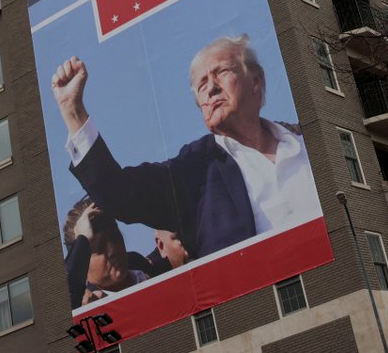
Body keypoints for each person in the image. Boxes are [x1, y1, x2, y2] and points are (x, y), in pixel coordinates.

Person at [51, 34, 321, 261]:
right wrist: (73, 111)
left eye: (221, 72)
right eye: (201, 85)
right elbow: (120, 194)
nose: (211, 88)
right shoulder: (193, 170)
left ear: (256, 81)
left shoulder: (310, 139)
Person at [63, 197, 149, 309]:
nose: (113, 250)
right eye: (99, 248)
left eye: (115, 236)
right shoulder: (83, 309)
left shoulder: (146, 266)